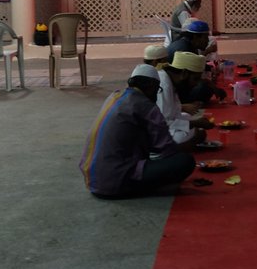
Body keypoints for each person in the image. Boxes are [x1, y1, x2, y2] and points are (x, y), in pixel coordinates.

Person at [79, 65, 195, 199]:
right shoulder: (145, 106)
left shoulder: (114, 96)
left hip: (92, 179)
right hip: (116, 182)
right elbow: (166, 149)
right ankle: (141, 187)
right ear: (152, 86)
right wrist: (192, 142)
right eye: (158, 89)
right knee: (185, 161)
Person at [156, 51, 213, 146]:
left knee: (186, 116)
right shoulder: (163, 85)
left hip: (165, 125)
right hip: (152, 133)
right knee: (187, 135)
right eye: (195, 79)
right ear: (184, 73)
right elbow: (162, 124)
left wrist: (194, 122)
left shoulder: (171, 81)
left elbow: (174, 114)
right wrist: (194, 124)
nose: (196, 84)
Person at [167, 19, 224, 103]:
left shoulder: (188, 44)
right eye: (206, 37)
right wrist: (211, 86)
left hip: (177, 86)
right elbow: (188, 78)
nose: (208, 41)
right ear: (196, 37)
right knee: (204, 88)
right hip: (173, 91)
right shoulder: (185, 49)